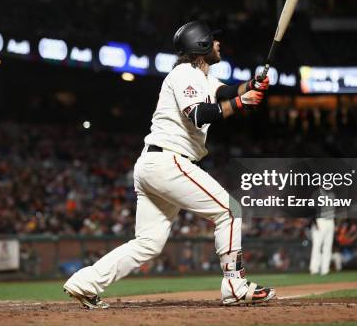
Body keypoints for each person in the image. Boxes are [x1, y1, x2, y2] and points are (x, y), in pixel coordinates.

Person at [63, 21, 275, 308]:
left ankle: (84, 282)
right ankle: (235, 285)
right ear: (200, 46)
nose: (218, 44)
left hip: (155, 164)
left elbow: (226, 92)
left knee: (148, 243)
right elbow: (199, 114)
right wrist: (241, 103)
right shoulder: (185, 73)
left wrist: (252, 85)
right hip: (168, 161)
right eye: (213, 40)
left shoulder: (202, 77)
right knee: (230, 210)